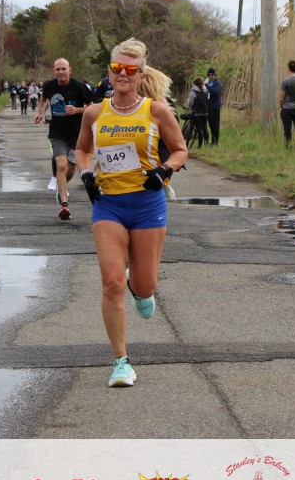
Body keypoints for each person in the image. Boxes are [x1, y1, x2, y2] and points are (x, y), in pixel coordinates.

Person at [75, 38, 188, 387]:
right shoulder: (94, 113)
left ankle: (139, 288)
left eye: (129, 69)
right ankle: (121, 362)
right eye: (116, 68)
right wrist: (86, 174)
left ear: (140, 75)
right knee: (111, 283)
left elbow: (180, 150)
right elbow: (82, 150)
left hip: (147, 204)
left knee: (145, 284)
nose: (122, 74)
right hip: (108, 204)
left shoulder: (156, 111)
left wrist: (164, 170)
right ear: (109, 72)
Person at [35, 59, 93, 220]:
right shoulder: (49, 86)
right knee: (61, 165)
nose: (61, 72)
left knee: (71, 168)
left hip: (77, 133)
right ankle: (64, 204)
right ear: (54, 71)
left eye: (64, 69)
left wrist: (77, 110)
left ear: (70, 70)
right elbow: (43, 99)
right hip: (57, 132)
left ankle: (61, 188)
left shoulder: (79, 87)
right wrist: (41, 113)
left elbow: (92, 106)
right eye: (58, 69)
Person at [186, 76, 210, 144]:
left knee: (199, 129)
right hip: (205, 112)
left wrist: (188, 101)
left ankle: (200, 144)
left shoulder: (193, 92)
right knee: (205, 128)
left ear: (194, 84)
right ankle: (206, 142)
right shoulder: (206, 91)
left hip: (197, 113)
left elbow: (190, 103)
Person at [205, 66, 223, 145]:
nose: (210, 76)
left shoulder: (217, 83)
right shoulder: (210, 83)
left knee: (215, 125)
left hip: (215, 106)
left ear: (215, 75)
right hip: (209, 106)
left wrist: (207, 85)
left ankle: (215, 141)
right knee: (211, 124)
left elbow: (215, 92)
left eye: (212, 74)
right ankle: (212, 141)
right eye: (209, 75)